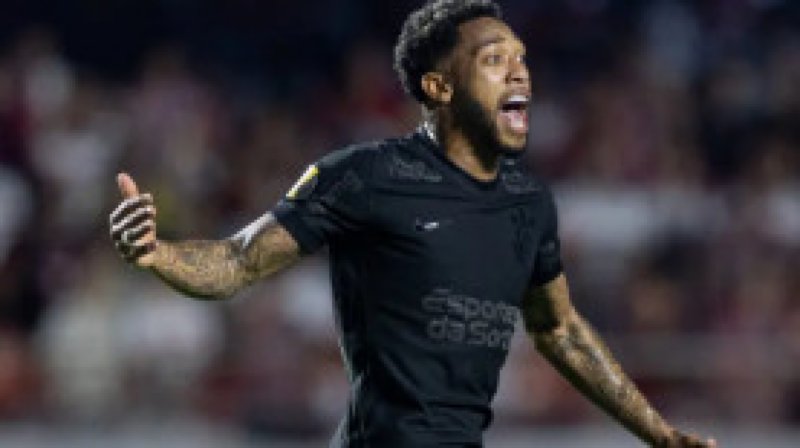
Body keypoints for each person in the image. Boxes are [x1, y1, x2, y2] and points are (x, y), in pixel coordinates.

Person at [109, 1, 717, 447]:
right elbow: (239, 261)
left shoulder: (529, 203)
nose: (519, 73)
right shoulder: (364, 176)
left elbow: (560, 331)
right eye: (494, 60)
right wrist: (158, 253)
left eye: (520, 58)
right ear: (438, 86)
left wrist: (657, 432)